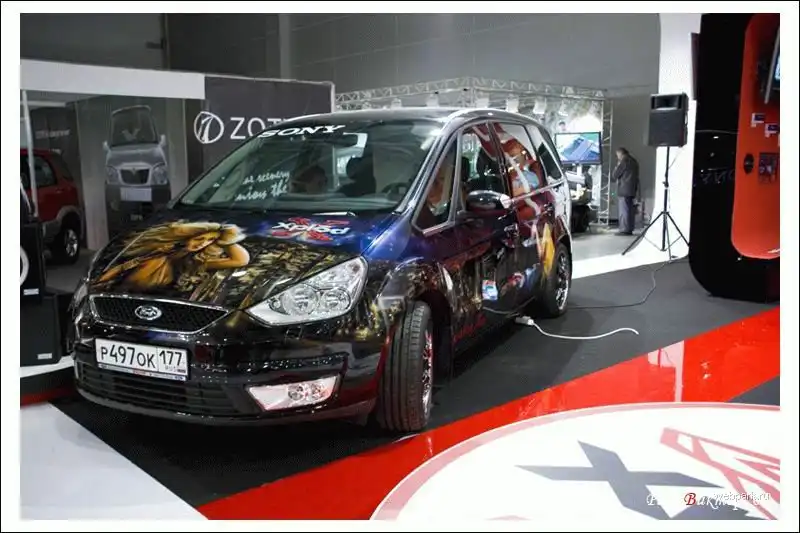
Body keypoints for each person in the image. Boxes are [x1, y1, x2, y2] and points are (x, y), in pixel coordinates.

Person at [612, 147, 640, 236]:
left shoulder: (623, 161)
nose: (617, 157)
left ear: (621, 154)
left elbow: (615, 175)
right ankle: (629, 228)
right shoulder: (634, 161)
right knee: (630, 210)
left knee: (624, 211)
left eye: (617, 155)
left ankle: (624, 230)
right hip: (632, 189)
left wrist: (617, 166)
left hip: (624, 190)